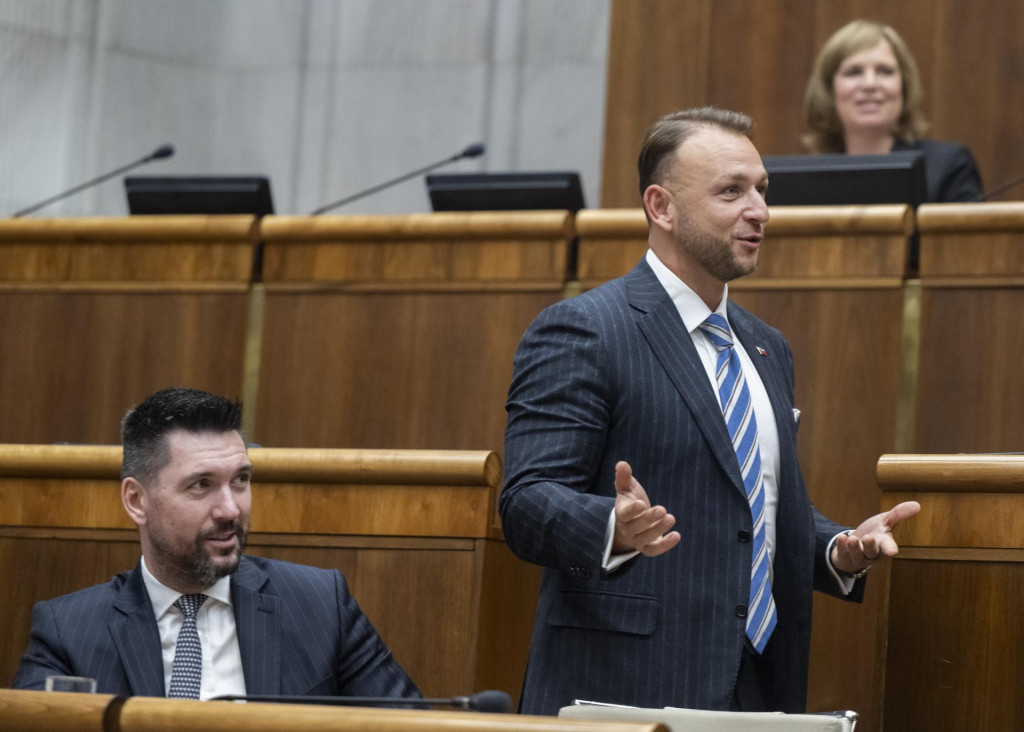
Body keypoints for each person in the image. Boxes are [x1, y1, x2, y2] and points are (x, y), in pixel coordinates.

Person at [499, 107, 920, 715]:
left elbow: (752, 508)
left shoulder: (767, 346)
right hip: (628, 688)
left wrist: (836, 547)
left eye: (762, 190)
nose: (760, 211)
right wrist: (612, 527)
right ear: (661, 207)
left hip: (758, 686)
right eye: (731, 191)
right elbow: (525, 500)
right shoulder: (586, 329)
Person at [14, 387, 421, 702]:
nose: (230, 509)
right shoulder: (68, 631)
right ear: (137, 500)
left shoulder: (321, 605)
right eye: (201, 485)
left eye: (240, 480)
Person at [803, 19, 982, 203]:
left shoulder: (948, 166)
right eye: (854, 72)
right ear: (829, 90)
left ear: (903, 86)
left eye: (885, 71)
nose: (870, 84)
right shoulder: (807, 179)